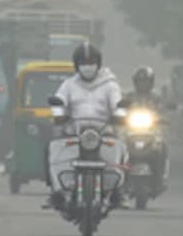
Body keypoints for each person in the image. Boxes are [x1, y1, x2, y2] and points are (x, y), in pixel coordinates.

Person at [44, 42, 125, 208]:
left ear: (99, 63)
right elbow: (60, 100)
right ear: (76, 65)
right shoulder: (69, 84)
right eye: (83, 63)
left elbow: (117, 103)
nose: (87, 67)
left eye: (91, 63)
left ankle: (117, 192)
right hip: (74, 131)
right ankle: (56, 191)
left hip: (104, 132)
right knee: (50, 149)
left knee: (123, 149)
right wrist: (59, 112)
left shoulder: (110, 84)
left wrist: (119, 113)